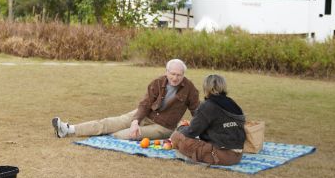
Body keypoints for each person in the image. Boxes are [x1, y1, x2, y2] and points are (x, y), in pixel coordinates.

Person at [51, 59, 200, 140]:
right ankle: (68, 129)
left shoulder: (190, 89)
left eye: (179, 75)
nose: (175, 78)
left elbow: (197, 112)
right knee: (109, 122)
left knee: (123, 134)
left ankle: (102, 134)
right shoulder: (158, 82)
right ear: (166, 72)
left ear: (183, 75)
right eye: (172, 74)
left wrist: (202, 131)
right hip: (146, 115)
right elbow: (145, 103)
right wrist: (135, 121)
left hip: (163, 127)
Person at [170, 73, 246, 166]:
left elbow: (191, 132)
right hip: (237, 156)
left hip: (221, 156)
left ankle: (188, 157)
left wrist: (181, 127)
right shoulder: (233, 104)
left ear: (206, 88)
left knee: (176, 137)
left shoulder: (208, 105)